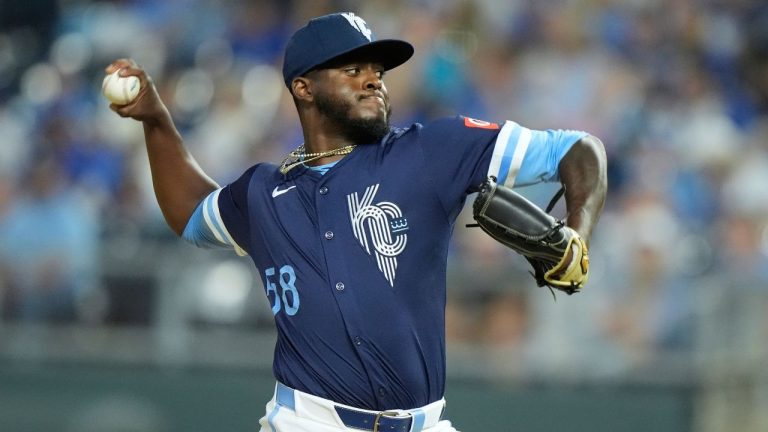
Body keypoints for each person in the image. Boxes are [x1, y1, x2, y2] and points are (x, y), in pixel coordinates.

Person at [107, 12, 607, 432]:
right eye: (352, 69)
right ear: (303, 87)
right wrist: (157, 120)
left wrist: (577, 235)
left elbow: (578, 149)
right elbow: (192, 212)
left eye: (377, 71)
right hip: (307, 421)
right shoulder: (263, 192)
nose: (373, 79)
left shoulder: (430, 151)